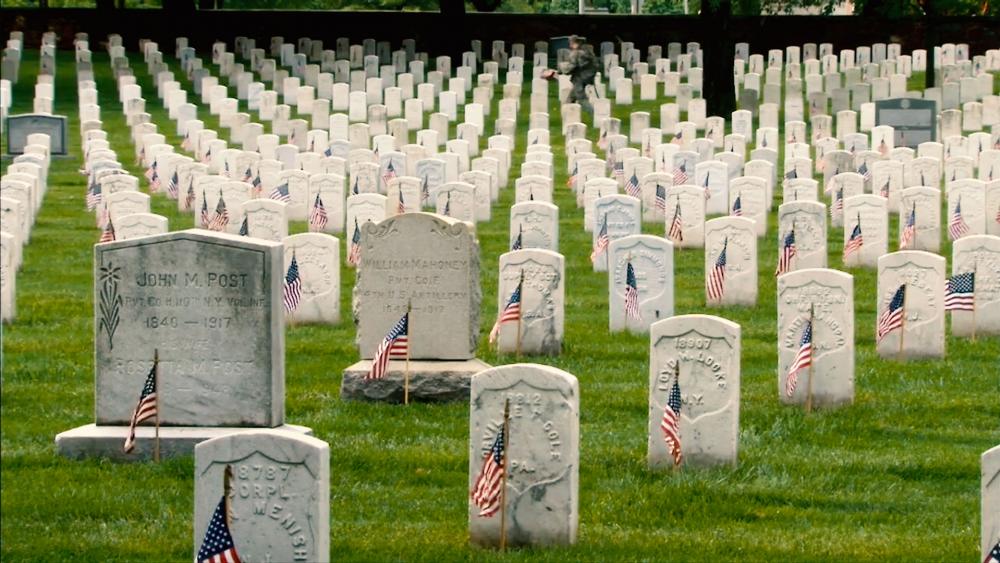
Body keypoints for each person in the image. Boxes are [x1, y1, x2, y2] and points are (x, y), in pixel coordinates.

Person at [557, 35, 598, 113]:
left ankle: (595, 114)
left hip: (579, 78)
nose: (570, 45)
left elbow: (571, 66)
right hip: (587, 77)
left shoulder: (577, 53)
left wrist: (561, 68)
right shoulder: (588, 52)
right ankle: (567, 114)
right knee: (571, 98)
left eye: (571, 43)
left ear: (576, 43)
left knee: (581, 98)